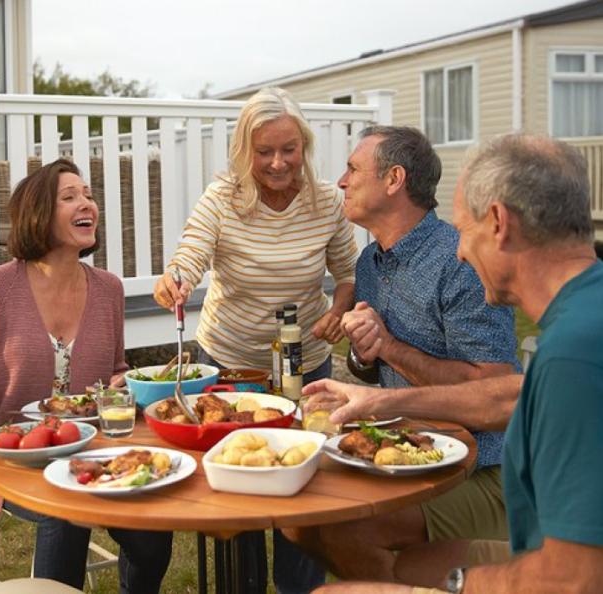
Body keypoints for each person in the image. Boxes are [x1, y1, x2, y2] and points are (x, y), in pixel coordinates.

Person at [307, 134, 603, 593]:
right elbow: (509, 395)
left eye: (465, 230)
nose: (460, 249)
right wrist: (375, 390)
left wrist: (455, 587)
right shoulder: (584, 318)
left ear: (499, 223)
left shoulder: (574, 352)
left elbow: (573, 581)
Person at [291, 127, 520, 585]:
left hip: (485, 470)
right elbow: (374, 368)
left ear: (393, 179)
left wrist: (391, 347)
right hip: (410, 452)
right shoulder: (368, 263)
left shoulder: (459, 262)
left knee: (344, 528)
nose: (341, 181)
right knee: (299, 519)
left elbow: (494, 389)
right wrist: (365, 353)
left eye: (353, 169)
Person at [153, 87, 359, 593]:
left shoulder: (328, 201)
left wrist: (338, 310)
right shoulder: (222, 197)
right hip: (231, 363)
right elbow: (191, 255)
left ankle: (300, 588)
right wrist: (175, 278)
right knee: (237, 486)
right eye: (264, 151)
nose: (277, 162)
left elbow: (350, 274)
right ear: (246, 151)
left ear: (303, 145)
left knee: (303, 484)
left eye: (288, 149)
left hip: (305, 362)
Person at [0, 159, 172, 593]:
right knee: (66, 511)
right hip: (20, 459)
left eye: (87, 195)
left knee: (152, 531)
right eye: (69, 197)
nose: (86, 203)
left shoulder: (108, 288)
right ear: (37, 215)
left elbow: (116, 371)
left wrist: (125, 386)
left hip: (95, 450)